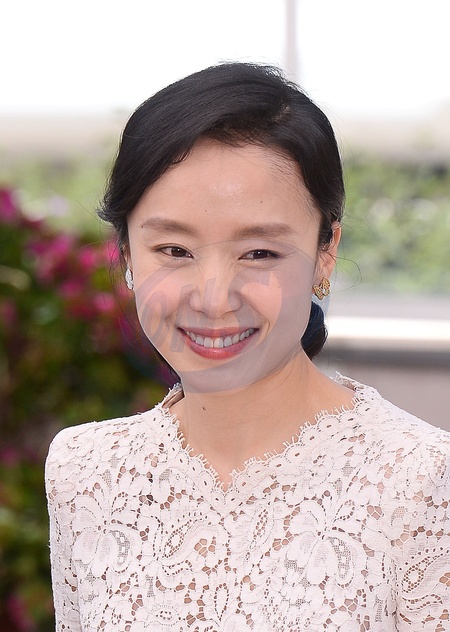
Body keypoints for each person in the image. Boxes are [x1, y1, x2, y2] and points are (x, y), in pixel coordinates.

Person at [46, 63, 450, 631]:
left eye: (259, 253)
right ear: (127, 253)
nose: (214, 299)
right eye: (174, 250)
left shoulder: (424, 483)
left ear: (326, 252)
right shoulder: (83, 471)